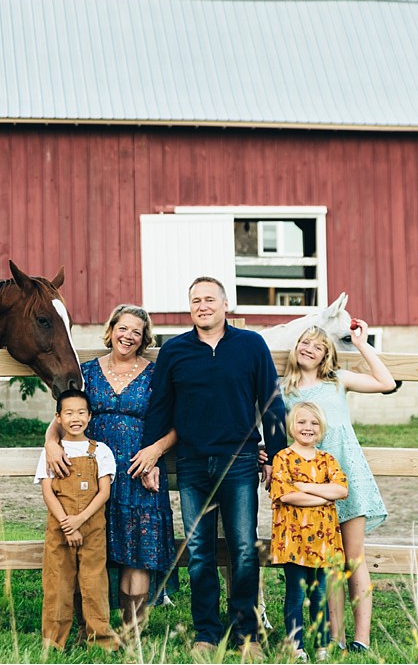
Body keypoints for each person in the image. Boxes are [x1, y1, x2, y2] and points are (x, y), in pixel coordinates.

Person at [134, 276, 287, 660]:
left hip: (240, 463)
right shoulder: (175, 350)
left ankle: (246, 635)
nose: (202, 305)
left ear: (225, 304)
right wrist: (150, 455)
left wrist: (279, 457)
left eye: (209, 299)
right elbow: (160, 407)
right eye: (195, 300)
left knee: (244, 550)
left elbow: (271, 402)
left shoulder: (251, 345)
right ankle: (205, 631)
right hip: (192, 463)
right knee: (200, 552)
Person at [43, 304, 176, 638]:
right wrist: (50, 443)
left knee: (137, 553)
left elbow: (177, 423)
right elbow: (61, 416)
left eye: (136, 332)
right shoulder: (87, 372)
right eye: (123, 328)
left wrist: (155, 452)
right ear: (111, 329)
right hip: (88, 475)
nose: (128, 336)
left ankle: (132, 632)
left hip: (137, 472)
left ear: (144, 339)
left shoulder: (155, 374)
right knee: (87, 549)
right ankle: (87, 626)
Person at [279, 323, 395, 654]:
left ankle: (362, 639)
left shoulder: (338, 381)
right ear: (295, 347)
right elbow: (271, 427)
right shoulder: (284, 390)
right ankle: (336, 637)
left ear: (327, 355)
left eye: (318, 346)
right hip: (314, 485)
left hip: (349, 476)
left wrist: (361, 344)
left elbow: (386, 382)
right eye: (304, 342)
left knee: (353, 559)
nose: (309, 348)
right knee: (329, 561)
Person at [34, 390, 121, 652]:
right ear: (58, 417)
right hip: (60, 529)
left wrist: (80, 520)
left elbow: (104, 492)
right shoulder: (52, 453)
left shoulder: (101, 451)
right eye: (69, 413)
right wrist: (66, 523)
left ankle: (100, 640)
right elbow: (47, 491)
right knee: (57, 583)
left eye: (81, 412)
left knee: (94, 583)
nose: (76, 418)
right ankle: (53, 642)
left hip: (93, 527)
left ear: (90, 416)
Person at [270, 401, 348, 662]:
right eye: (302, 422)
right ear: (292, 426)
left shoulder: (327, 460)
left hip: (323, 540)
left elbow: (341, 490)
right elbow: (286, 495)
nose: (308, 427)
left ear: (321, 428)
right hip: (292, 539)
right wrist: (322, 496)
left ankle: (322, 645)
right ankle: (296, 645)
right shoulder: (282, 458)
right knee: (295, 592)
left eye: (314, 423)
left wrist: (304, 487)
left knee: (319, 593)